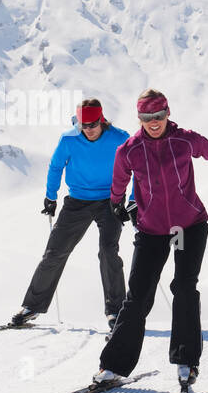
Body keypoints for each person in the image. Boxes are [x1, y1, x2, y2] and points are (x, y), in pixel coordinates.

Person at [93, 89, 208, 387]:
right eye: (147, 117)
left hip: (187, 227)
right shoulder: (129, 150)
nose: (153, 122)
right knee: (137, 297)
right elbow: (119, 179)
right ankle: (113, 366)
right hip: (152, 231)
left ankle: (186, 361)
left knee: (183, 286)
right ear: (139, 118)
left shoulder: (184, 140)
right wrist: (117, 204)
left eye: (158, 116)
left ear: (167, 113)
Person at [11, 98, 131, 329]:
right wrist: (50, 196)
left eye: (93, 124)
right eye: (83, 126)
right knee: (54, 251)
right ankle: (32, 307)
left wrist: (132, 200)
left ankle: (116, 311)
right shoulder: (69, 139)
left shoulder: (120, 138)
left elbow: (138, 167)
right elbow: (56, 166)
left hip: (110, 200)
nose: (89, 130)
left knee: (108, 250)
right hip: (77, 201)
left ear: (102, 120)